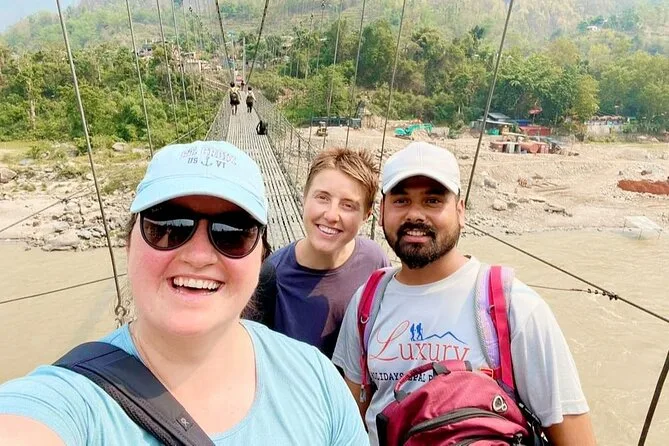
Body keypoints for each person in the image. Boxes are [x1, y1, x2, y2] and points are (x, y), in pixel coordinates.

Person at [0, 141, 368, 445]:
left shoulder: (317, 380)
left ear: (260, 260)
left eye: (232, 233)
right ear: (128, 245)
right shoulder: (73, 400)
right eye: (167, 227)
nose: (198, 256)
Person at [333, 141, 596, 446]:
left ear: (460, 211)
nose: (415, 215)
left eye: (433, 201)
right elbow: (351, 419)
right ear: (382, 212)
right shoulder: (367, 303)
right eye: (401, 201)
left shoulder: (514, 307)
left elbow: (575, 437)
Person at [255, 147, 389, 358]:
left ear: (367, 214)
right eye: (322, 198)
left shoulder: (374, 261)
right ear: (304, 197)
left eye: (348, 205)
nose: (331, 215)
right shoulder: (271, 276)